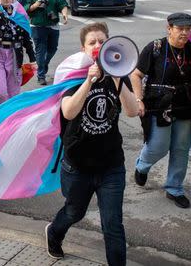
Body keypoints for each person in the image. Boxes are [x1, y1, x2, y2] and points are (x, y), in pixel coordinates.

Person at [45, 22, 140, 263]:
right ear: (83, 48)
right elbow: (68, 112)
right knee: (74, 212)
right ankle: (54, 232)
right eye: (92, 42)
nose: (97, 45)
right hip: (78, 165)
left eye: (102, 41)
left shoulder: (119, 73)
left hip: (111, 165)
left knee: (113, 224)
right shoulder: (74, 74)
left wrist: (118, 80)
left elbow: (131, 111)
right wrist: (88, 81)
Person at [131, 13, 191, 209]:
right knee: (158, 146)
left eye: (188, 28)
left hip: (186, 105)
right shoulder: (155, 48)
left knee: (181, 148)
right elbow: (136, 75)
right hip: (160, 104)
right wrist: (138, 99)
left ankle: (174, 188)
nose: (185, 33)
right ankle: (142, 165)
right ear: (169, 28)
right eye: (180, 29)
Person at [21, 0, 69, 85]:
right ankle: (41, 75)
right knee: (40, 50)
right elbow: (25, 8)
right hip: (37, 25)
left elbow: (62, 3)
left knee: (53, 48)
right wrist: (35, 5)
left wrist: (64, 13)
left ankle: (43, 64)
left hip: (52, 25)